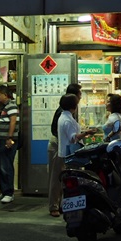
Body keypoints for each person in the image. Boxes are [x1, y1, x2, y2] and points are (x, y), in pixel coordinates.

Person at [48, 83, 83, 217]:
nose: (80, 98)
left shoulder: (69, 112)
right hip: (58, 145)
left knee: (64, 176)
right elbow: (57, 132)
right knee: (57, 177)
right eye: (79, 95)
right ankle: (54, 206)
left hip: (64, 146)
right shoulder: (62, 113)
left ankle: (63, 204)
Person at [0, 84, 20, 204]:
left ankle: (9, 193)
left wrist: (9, 137)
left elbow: (13, 122)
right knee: (2, 166)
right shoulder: (5, 106)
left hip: (7, 140)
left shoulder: (11, 106)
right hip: (2, 139)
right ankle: (4, 191)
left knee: (6, 166)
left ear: (5, 95)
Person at [56, 93, 96, 158]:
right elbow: (74, 138)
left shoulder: (63, 116)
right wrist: (87, 132)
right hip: (69, 154)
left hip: (65, 153)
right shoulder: (67, 120)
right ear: (73, 105)